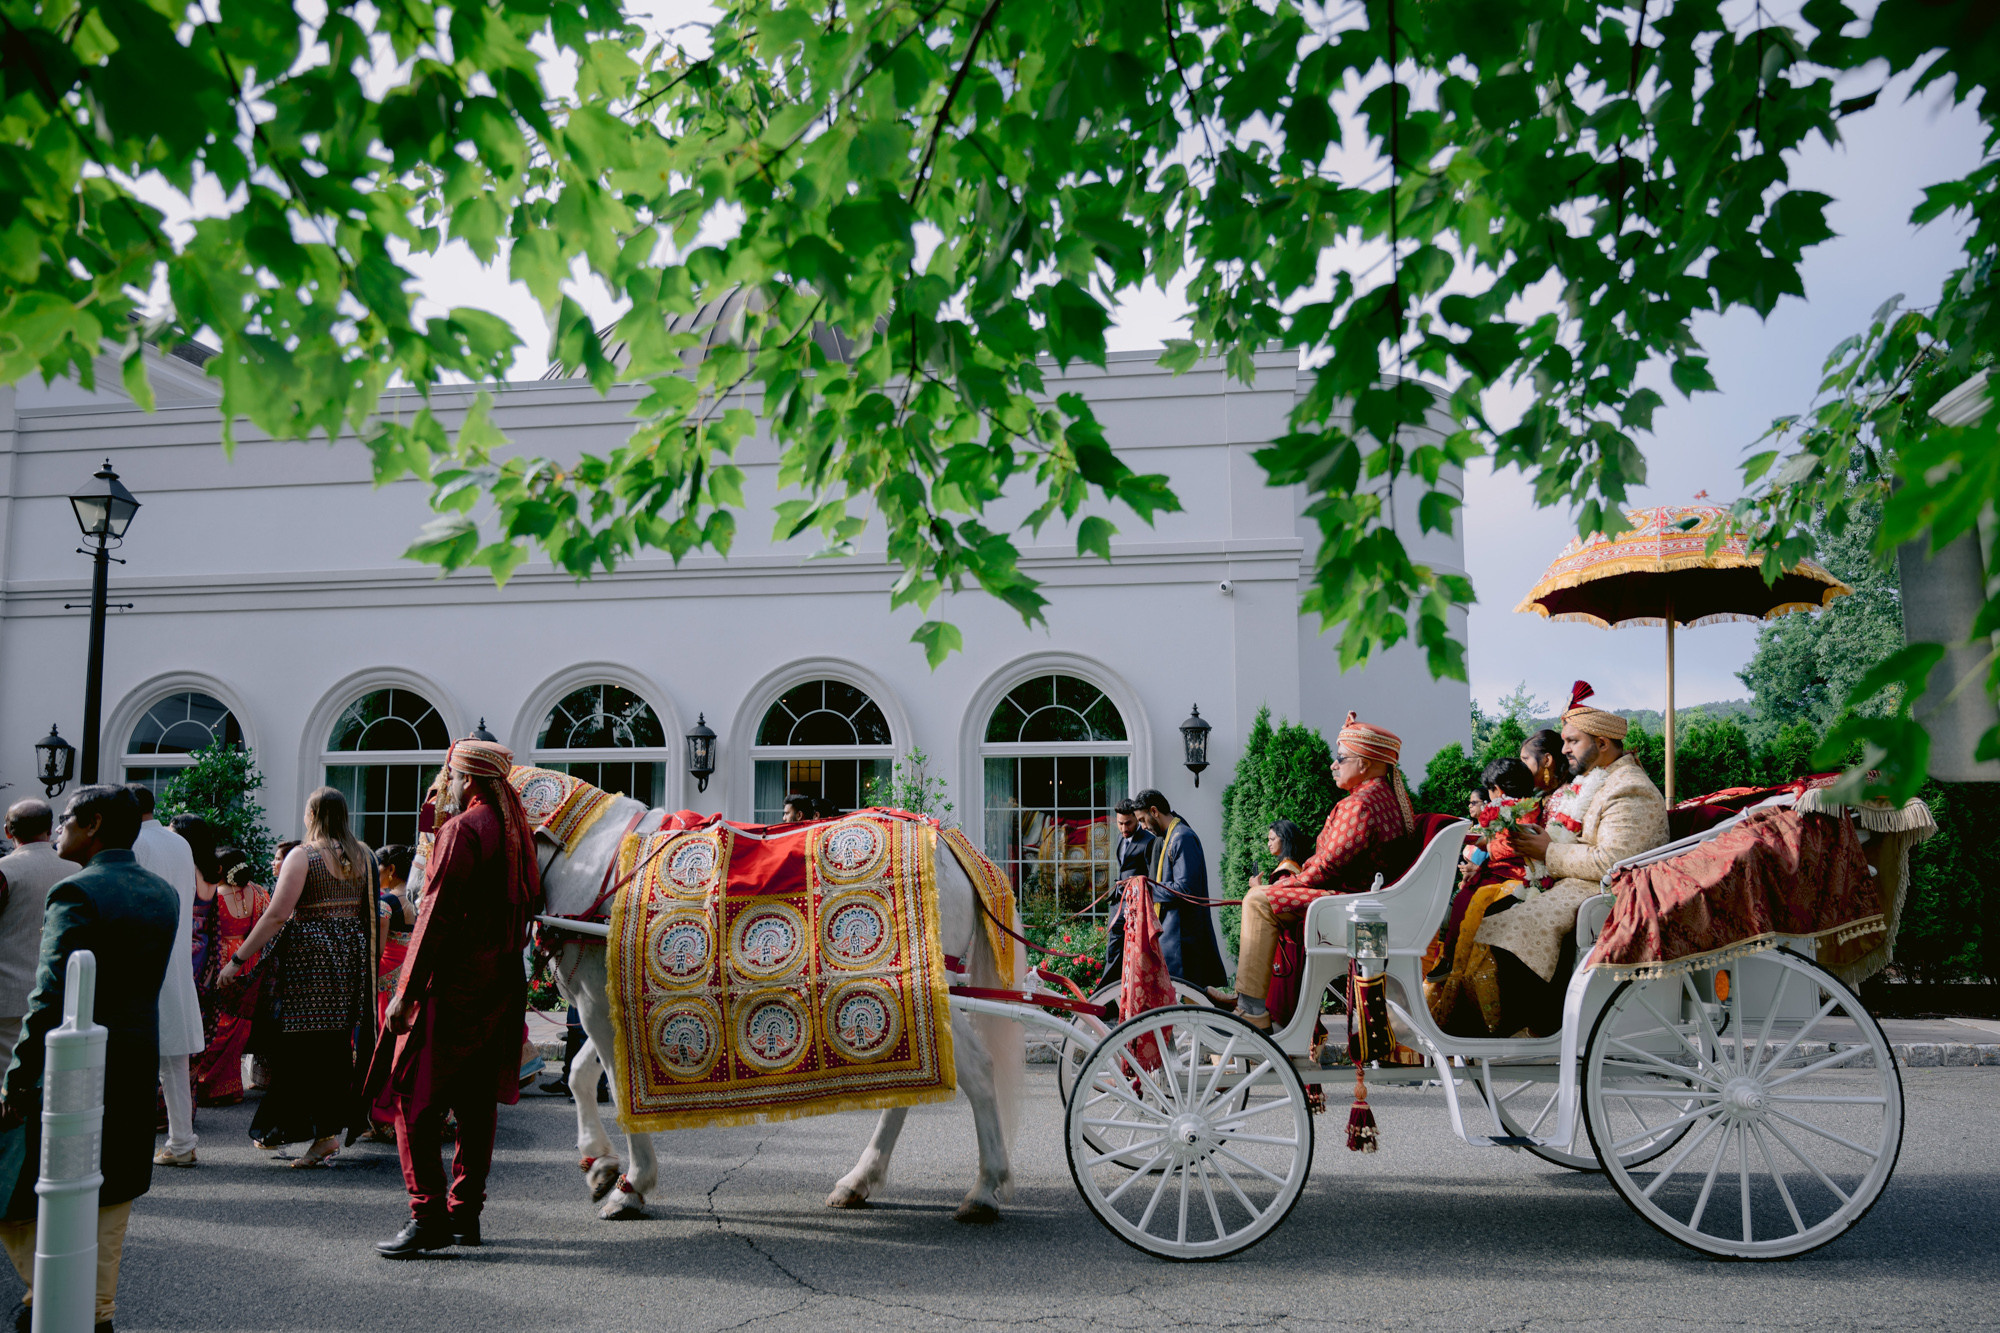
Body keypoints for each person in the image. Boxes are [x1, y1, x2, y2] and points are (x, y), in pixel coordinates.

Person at [0, 785, 178, 1332]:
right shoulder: (164, 893)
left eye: (68, 822)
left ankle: (46, 1294)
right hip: (133, 1055)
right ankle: (97, 1310)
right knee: (113, 1185)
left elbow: (50, 995)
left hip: (74, 1062)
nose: (60, 831)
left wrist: (17, 1076)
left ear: (93, 824)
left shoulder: (77, 893)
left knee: (18, 1182)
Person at [368, 739, 541, 1258]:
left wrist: (406, 993)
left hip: (454, 986)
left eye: (450, 776)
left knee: (413, 1102)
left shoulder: (463, 829)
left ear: (467, 779)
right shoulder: (516, 831)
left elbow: (435, 917)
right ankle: (465, 1215)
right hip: (501, 983)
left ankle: (428, 1217)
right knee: (474, 1104)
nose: (446, 785)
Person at [1477, 681, 1669, 1035]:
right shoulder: (1598, 780)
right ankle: (1527, 1025)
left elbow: (1615, 860)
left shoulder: (1629, 787)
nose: (1563, 749)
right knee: (1495, 913)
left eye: (1572, 741)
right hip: (1579, 884)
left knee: (1510, 925)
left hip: (1613, 892)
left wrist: (1547, 850)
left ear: (1602, 743)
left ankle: (1542, 1027)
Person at [1220, 712, 1420, 1028]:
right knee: (1262, 895)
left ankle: (1252, 1009)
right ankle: (1247, 998)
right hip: (1365, 903)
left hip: (1349, 906)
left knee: (1257, 900)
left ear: (1365, 764)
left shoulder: (1361, 803)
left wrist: (1285, 886)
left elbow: (1327, 867)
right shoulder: (1387, 799)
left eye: (1341, 758)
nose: (1333, 764)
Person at [222, 789, 375, 1167]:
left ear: (312, 814)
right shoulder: (364, 855)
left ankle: (299, 1130)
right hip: (348, 959)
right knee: (334, 1048)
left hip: (311, 959)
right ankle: (323, 1134)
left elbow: (276, 915)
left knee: (300, 1047)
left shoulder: (304, 855)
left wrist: (238, 959)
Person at [1426, 756, 1547, 1036]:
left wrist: (1485, 851)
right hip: (1496, 872)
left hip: (1517, 876)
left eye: (1490, 790)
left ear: (1500, 788)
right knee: (1466, 896)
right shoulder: (1508, 809)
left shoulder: (1526, 810)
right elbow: (1491, 840)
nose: (1490, 797)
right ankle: (1452, 957)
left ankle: (1455, 960)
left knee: (1474, 901)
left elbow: (1515, 844)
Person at [127, 786, 203, 1170]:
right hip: (175, 957)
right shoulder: (179, 844)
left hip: (142, 959)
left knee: (129, 1059)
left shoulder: (132, 843)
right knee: (173, 1060)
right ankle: (182, 1139)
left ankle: (134, 1141)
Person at [190, 850, 269, 1105]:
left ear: (221, 869)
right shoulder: (258, 894)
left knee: (218, 1025)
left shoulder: (213, 895)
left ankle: (210, 1087)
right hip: (249, 959)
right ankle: (231, 1087)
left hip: (222, 961)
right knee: (238, 1027)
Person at [1131, 790, 1229, 992]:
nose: (1143, 827)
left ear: (1154, 811)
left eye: (1142, 820)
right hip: (1176, 936)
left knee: (1186, 1003)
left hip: (1184, 941)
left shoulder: (1182, 837)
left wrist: (1146, 888)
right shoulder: (1173, 835)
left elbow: (1185, 889)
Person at [0, 802, 67, 1068]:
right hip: (60, 992)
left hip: (11, 995)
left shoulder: (6, 870)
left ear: (8, 831)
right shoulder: (77, 869)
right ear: (50, 829)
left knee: (8, 1082)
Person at [1097, 799, 1159, 988]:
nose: (1123, 828)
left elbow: (1152, 879)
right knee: (1113, 951)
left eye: (1128, 823)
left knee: (1133, 955)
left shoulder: (1149, 841)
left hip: (1136, 907)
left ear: (1136, 820)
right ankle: (1107, 995)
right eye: (1120, 823)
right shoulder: (1119, 838)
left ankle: (1106, 997)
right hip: (1118, 903)